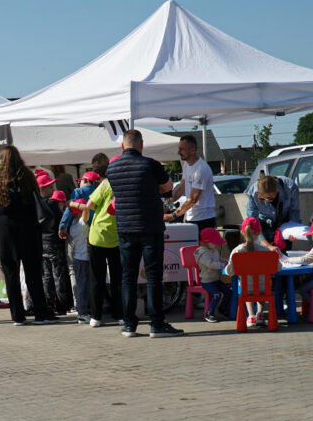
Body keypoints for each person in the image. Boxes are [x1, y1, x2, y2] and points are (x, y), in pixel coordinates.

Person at [105, 129, 183, 338]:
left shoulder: (112, 168)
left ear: (122, 145)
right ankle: (156, 324)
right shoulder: (150, 164)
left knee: (127, 277)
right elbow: (168, 187)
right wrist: (152, 189)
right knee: (153, 276)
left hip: (125, 228)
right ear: (141, 144)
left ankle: (129, 324)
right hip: (150, 227)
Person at [0, 146, 55, 326]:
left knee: (11, 276)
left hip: (5, 233)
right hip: (28, 230)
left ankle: (18, 316)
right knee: (33, 274)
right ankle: (40, 314)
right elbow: (35, 201)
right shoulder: (28, 177)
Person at [81, 170, 122, 328]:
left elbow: (89, 205)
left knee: (97, 279)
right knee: (118, 279)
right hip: (117, 237)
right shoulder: (127, 184)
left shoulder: (106, 184)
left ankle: (96, 317)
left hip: (97, 235)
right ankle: (119, 315)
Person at [226, 217, 282, 328]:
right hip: (264, 289)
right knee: (262, 283)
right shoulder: (266, 250)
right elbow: (278, 268)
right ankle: (260, 314)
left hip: (247, 289)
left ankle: (251, 316)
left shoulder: (237, 251)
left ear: (243, 232)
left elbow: (229, 272)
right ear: (259, 233)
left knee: (246, 284)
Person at [166, 135, 217, 231]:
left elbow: (193, 199)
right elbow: (181, 188)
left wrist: (173, 215)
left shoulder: (201, 169)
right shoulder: (186, 165)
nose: (178, 152)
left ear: (192, 150)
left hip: (204, 220)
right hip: (191, 217)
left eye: (182, 149)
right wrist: (167, 203)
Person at [245, 174, 302, 250]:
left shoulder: (290, 187)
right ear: (258, 193)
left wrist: (294, 232)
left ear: (277, 190)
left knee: (283, 254)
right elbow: (252, 222)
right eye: (263, 198)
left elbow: (294, 212)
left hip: (284, 224)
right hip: (263, 225)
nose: (267, 200)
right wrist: (268, 245)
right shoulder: (253, 192)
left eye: (271, 197)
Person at [40, 185, 72, 315]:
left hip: (43, 245)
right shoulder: (60, 213)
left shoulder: (44, 208)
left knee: (47, 277)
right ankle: (62, 305)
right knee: (59, 276)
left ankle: (48, 304)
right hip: (55, 246)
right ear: (61, 202)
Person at [194, 228, 232, 322]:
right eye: (214, 242)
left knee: (228, 292)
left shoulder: (213, 250)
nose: (216, 245)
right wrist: (223, 265)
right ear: (206, 242)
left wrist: (227, 261)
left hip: (216, 280)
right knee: (216, 294)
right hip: (207, 281)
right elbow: (210, 264)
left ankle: (222, 309)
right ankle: (209, 314)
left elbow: (219, 259)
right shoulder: (203, 253)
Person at [67, 198, 91, 323]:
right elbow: (86, 208)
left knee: (82, 285)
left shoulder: (72, 224)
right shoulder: (82, 223)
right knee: (83, 286)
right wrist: (72, 203)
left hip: (78, 258)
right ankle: (82, 313)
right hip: (83, 259)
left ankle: (83, 311)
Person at [58, 169, 102, 238]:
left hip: (80, 227)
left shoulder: (78, 191)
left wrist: (62, 226)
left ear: (85, 180)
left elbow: (69, 209)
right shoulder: (100, 191)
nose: (79, 184)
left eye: (79, 181)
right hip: (97, 227)